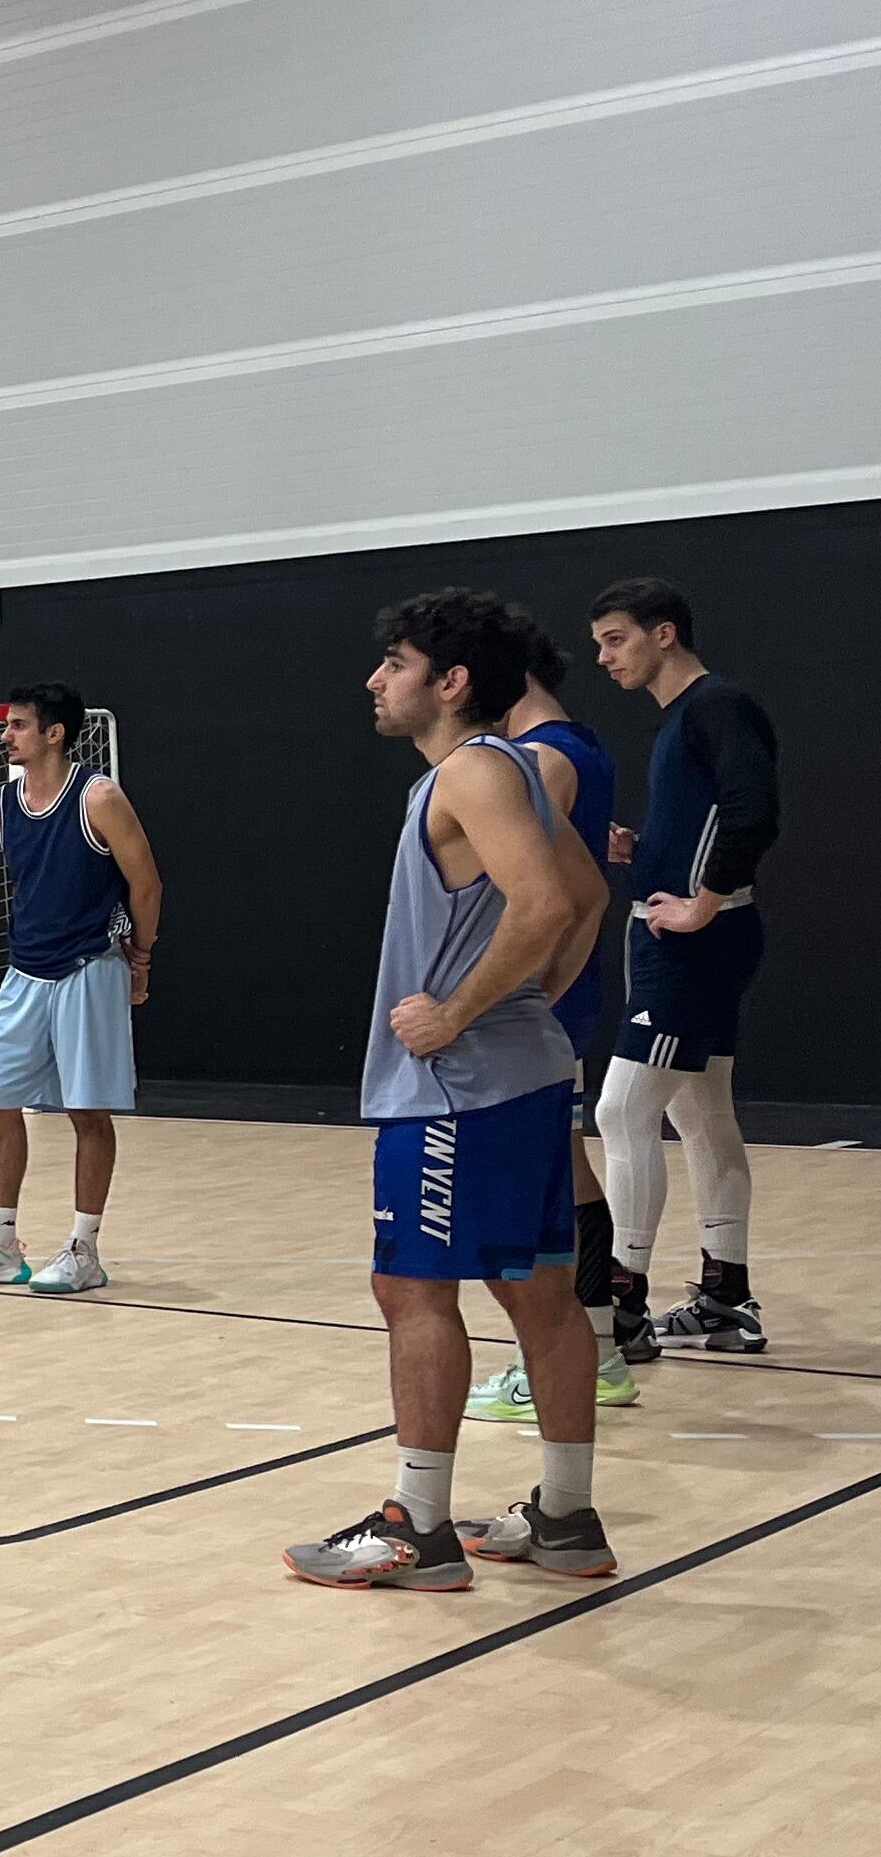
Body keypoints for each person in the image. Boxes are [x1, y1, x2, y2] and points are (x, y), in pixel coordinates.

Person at [282, 590, 607, 1590]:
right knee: (541, 1296)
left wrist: (462, 1012)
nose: (377, 680)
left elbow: (552, 902)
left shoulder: (470, 772)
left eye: (396, 662)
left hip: (458, 1089)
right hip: (513, 1078)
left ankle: (415, 1528)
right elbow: (588, 896)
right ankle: (562, 1517)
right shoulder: (506, 773)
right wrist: (525, 1009)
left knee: (413, 1288)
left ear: (450, 681)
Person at [585, 576, 781, 1359]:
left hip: (693, 946)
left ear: (664, 634)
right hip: (687, 940)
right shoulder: (684, 720)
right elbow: (708, 818)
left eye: (615, 639)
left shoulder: (716, 707)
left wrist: (703, 900)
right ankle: (725, 1296)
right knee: (700, 1115)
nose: (604, 657)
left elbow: (752, 810)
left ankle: (622, 1307)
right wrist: (648, 850)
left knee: (620, 1113)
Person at [0, 687, 163, 1295]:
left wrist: (139, 956)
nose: (5, 735)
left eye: (17, 726)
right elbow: (27, 884)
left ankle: (84, 1250)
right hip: (24, 972)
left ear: (54, 733)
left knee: (88, 1112)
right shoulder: (3, 802)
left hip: (90, 968)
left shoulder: (99, 797)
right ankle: (0, 1245)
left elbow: (147, 883)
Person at [467, 617, 634, 1421]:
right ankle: (602, 1339)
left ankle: (591, 1351)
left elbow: (552, 894)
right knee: (562, 1163)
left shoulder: (539, 759)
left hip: (543, 998)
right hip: (562, 990)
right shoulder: (583, 745)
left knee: (550, 1174)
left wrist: (519, 989)